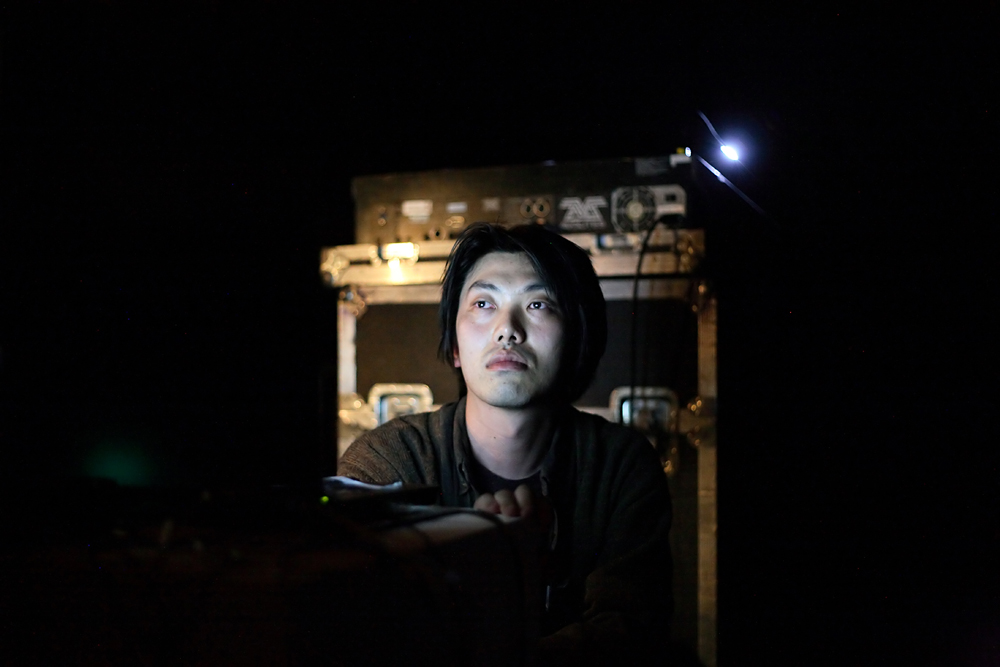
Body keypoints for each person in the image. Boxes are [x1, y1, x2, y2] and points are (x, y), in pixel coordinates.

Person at [338, 222, 672, 664]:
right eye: (483, 304)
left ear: (577, 337)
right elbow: (355, 634)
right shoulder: (388, 462)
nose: (507, 330)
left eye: (537, 304)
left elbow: (631, 634)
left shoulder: (621, 465)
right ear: (455, 347)